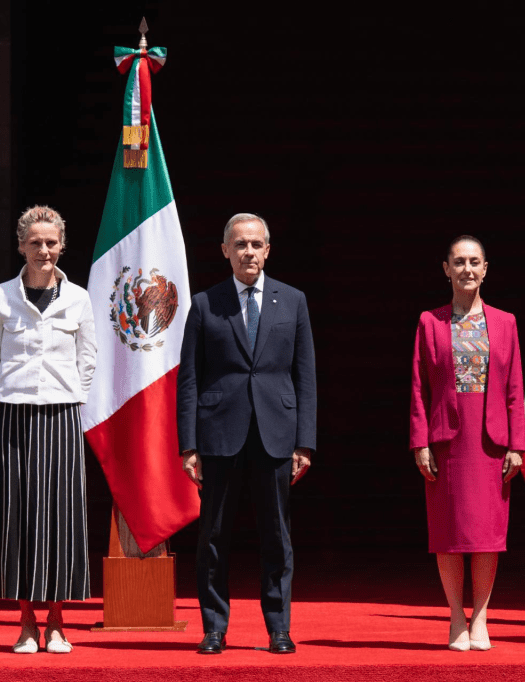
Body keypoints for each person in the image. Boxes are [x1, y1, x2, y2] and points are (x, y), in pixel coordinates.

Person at [177, 213, 317, 655]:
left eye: (256, 245)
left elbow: (305, 375)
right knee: (214, 536)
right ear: (225, 251)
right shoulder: (205, 303)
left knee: (276, 535)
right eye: (240, 245)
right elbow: (190, 380)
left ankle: (279, 627)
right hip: (219, 434)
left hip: (276, 433)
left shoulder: (292, 301)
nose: (249, 252)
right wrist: (189, 445)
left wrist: (304, 442)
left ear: (268, 250)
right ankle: (214, 627)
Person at [0, 206, 97, 654]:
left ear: (61, 246)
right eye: (35, 242)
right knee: (18, 516)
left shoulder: (79, 298)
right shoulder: (0, 297)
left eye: (50, 243)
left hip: (61, 414)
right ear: (21, 246)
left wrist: (75, 393)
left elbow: (88, 356)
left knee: (61, 516)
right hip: (14, 413)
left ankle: (57, 622)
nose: (43, 250)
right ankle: (26, 621)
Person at [409, 235, 525, 652]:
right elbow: (419, 388)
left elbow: (514, 387)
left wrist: (518, 444)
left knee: (486, 535)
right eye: (459, 262)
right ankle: (456, 616)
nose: (467, 270)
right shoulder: (430, 322)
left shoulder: (506, 322)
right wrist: (420, 442)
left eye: (474, 262)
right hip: (447, 442)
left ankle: (481, 619)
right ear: (446, 269)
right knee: (449, 533)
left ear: (486, 268)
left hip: (491, 441)